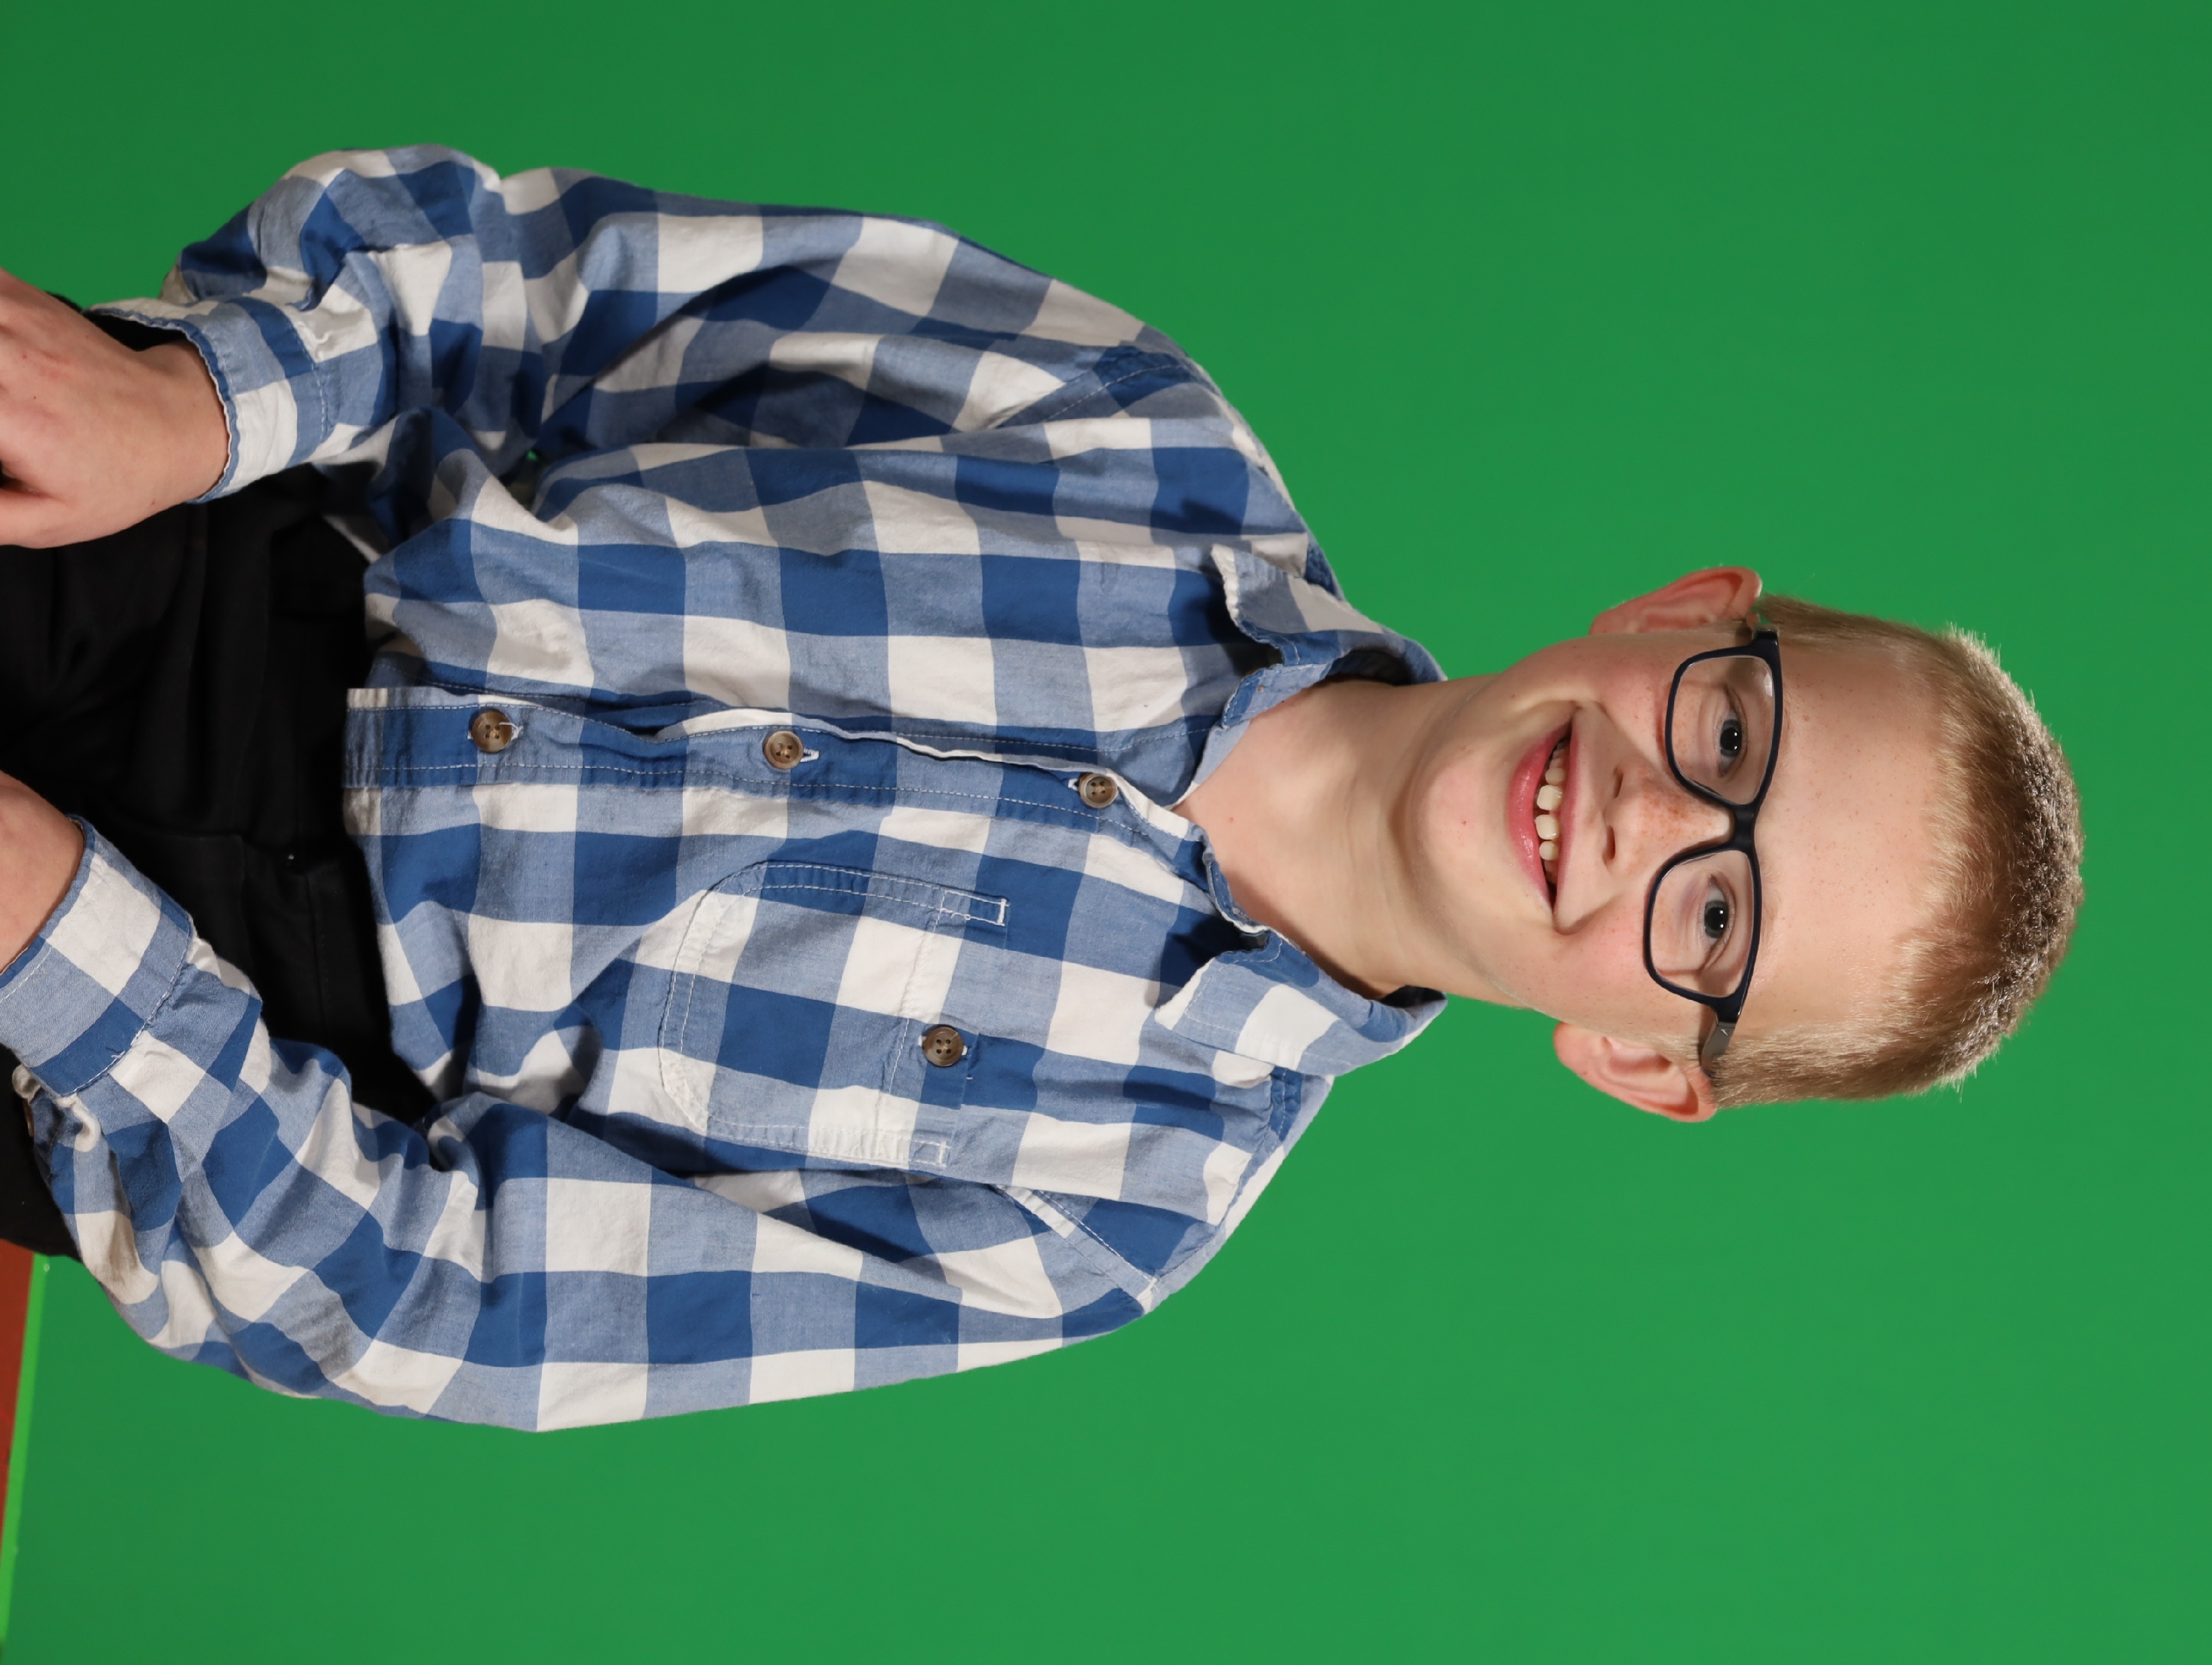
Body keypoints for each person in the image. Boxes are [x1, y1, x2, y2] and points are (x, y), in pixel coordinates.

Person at [0, 148, 2082, 1428]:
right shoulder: (1135, 430)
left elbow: (459, 1293)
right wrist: (195, 406)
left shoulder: (1107, 1213)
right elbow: (557, 297)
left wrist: (65, 948)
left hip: (206, 1035)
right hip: (220, 545)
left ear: (1642, 1057)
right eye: (1734, 738)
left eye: (1717, 917)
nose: (1652, 815)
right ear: (1681, 613)